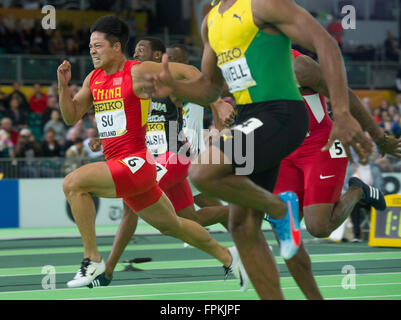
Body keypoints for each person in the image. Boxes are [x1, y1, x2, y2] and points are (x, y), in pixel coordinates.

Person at [143, 0, 374, 300]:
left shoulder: (262, 5)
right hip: (250, 118)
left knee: (202, 171)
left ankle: (277, 208)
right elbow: (210, 88)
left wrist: (342, 113)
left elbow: (325, 42)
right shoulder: (211, 20)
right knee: (242, 226)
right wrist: (174, 87)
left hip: (281, 114)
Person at [57, 15, 247, 289]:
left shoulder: (137, 71)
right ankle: (230, 258)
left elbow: (191, 73)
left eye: (98, 46)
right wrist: (64, 87)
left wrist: (216, 103)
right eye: (90, 47)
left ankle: (93, 260)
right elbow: (70, 116)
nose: (92, 51)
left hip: (136, 162)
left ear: (116, 47)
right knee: (175, 225)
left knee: (73, 183)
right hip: (123, 166)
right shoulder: (93, 79)